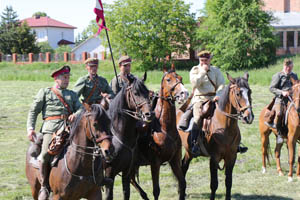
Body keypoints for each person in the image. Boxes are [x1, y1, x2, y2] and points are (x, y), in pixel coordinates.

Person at [27, 65, 83, 200]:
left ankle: (95, 178)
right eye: (64, 77)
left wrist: (75, 114)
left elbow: (81, 109)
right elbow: (33, 111)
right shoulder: (45, 92)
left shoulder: (72, 94)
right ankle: (45, 186)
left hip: (70, 127)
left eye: (68, 78)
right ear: (56, 78)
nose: (67, 80)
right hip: (51, 129)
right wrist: (30, 128)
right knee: (45, 154)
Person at [180, 50, 248, 156]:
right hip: (200, 99)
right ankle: (195, 144)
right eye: (202, 60)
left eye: (206, 60)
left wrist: (219, 94)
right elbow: (195, 84)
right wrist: (203, 72)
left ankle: (235, 143)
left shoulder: (216, 70)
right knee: (198, 118)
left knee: (230, 115)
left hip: (215, 97)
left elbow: (221, 84)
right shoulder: (195, 70)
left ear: (210, 60)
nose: (204, 62)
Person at [267, 58, 298, 144]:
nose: (289, 69)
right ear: (284, 66)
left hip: (292, 98)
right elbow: (271, 88)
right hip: (280, 99)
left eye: (291, 67)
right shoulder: (278, 75)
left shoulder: (294, 75)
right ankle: (279, 134)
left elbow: (296, 86)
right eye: (287, 67)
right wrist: (282, 92)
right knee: (279, 113)